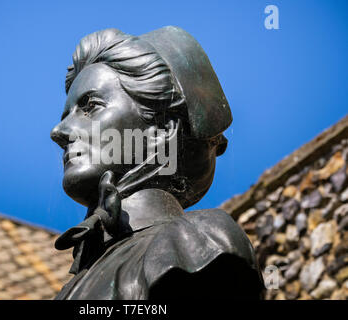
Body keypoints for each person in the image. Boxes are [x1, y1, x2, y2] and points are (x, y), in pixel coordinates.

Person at [50, 26, 264, 299]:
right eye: (66, 115)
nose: (58, 132)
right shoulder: (74, 286)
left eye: (90, 106)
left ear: (160, 130)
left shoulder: (194, 246)